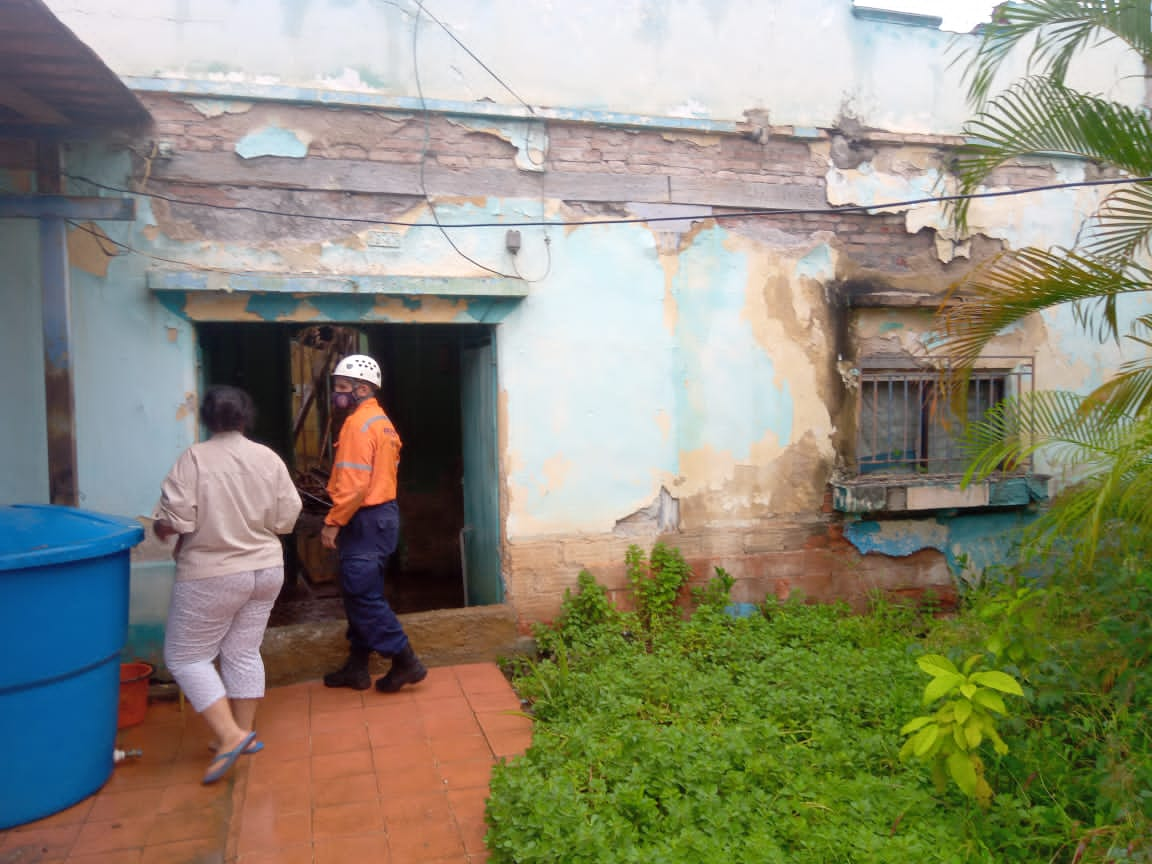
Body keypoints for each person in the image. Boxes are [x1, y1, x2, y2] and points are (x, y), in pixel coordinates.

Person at [153, 385, 302, 785]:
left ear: (205, 418)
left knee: (185, 657)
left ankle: (230, 735)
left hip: (213, 572)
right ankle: (245, 733)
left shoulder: (194, 459)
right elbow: (288, 517)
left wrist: (159, 524)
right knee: (242, 649)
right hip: (267, 569)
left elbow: (177, 521)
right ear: (244, 417)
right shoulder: (267, 458)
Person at [321, 353, 427, 693]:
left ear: (362, 388)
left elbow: (354, 484)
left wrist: (333, 522)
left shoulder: (357, 425)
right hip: (381, 519)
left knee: (362, 594)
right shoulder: (381, 421)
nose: (336, 394)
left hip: (363, 518)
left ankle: (405, 660)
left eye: (341, 387)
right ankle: (356, 666)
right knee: (360, 593)